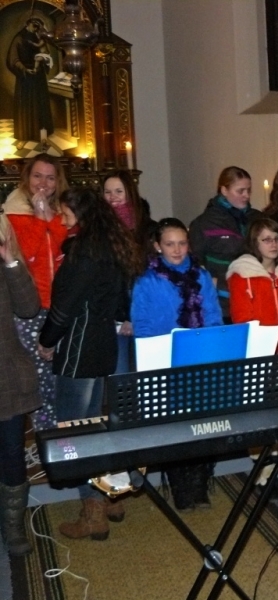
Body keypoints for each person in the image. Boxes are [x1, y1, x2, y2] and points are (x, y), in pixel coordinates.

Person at [38, 188, 139, 540]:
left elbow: (64, 306)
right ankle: (110, 499)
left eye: (65, 210)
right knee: (94, 424)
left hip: (79, 349)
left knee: (75, 431)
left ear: (78, 212)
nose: (61, 215)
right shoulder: (110, 245)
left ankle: (92, 510)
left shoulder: (84, 251)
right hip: (103, 345)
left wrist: (47, 340)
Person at [132, 218, 223, 511]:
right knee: (175, 428)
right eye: (170, 244)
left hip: (199, 359)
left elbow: (213, 315)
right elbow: (143, 326)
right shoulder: (147, 282)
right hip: (165, 362)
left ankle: (201, 484)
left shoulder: (201, 276)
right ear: (158, 246)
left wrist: (210, 347)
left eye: (182, 243)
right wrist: (157, 355)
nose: (177, 250)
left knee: (203, 425)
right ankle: (181, 488)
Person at [4, 154, 69, 430]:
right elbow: (25, 254)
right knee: (39, 379)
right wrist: (40, 220)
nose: (43, 183)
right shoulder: (13, 212)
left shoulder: (64, 212)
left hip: (60, 307)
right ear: (27, 178)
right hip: (31, 306)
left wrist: (49, 218)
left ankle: (63, 436)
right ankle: (45, 437)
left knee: (60, 376)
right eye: (38, 176)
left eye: (50, 177)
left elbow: (65, 249)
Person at [0, 213, 41, 556]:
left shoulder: (8, 265)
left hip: (7, 377)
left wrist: (10, 260)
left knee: (12, 452)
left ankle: (13, 526)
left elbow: (29, 308)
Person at [102, 170, 157, 373]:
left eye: (119, 191)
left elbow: (149, 276)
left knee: (147, 374)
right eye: (108, 192)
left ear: (130, 193)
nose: (113, 197)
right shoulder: (99, 228)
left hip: (142, 312)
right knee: (119, 377)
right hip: (110, 315)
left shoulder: (148, 229)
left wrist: (132, 315)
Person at [189, 166, 261, 320]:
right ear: (224, 190)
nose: (246, 195)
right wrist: (216, 285)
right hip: (222, 304)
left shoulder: (258, 219)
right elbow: (194, 264)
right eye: (240, 191)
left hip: (256, 299)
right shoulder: (204, 224)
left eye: (249, 190)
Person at [227, 216, 278, 354]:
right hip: (259, 352)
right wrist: (270, 350)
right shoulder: (243, 275)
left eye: (277, 239)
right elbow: (243, 320)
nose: (274, 244)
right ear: (254, 243)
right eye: (267, 240)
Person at [6, 17, 54, 142]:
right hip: (25, 77)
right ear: (27, 24)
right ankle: (25, 135)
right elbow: (13, 59)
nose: (35, 28)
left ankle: (42, 134)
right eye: (34, 25)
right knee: (26, 106)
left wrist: (44, 58)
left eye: (37, 27)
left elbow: (46, 54)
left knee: (40, 103)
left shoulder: (38, 38)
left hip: (38, 76)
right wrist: (24, 69)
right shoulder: (19, 39)